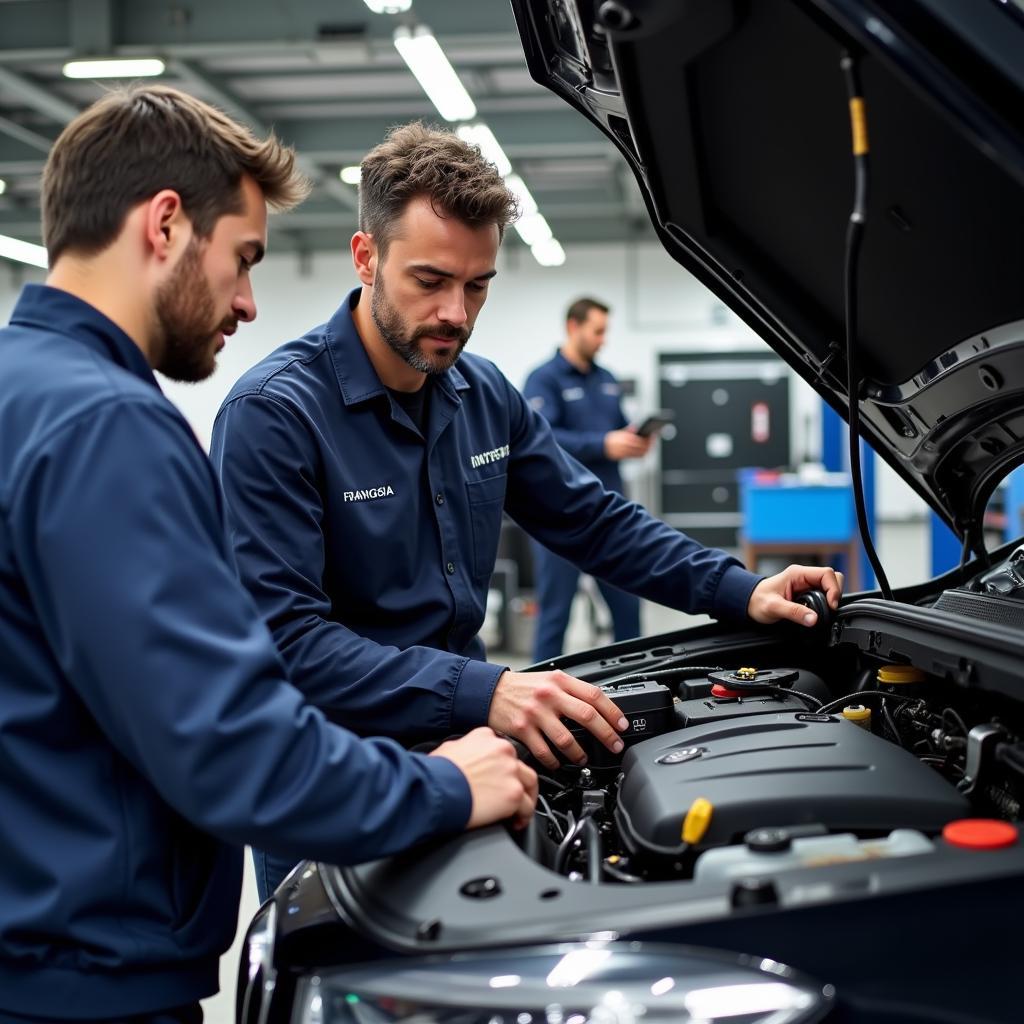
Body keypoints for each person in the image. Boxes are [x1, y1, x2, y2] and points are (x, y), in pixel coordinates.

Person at [0, 87, 537, 1024]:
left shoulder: (20, 391)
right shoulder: (109, 426)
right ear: (166, 224)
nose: (250, 302)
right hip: (82, 973)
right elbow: (233, 748)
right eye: (243, 259)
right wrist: (448, 786)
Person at [210, 121, 843, 900]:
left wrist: (739, 588)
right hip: (332, 776)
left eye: (477, 286)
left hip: (467, 755)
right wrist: (489, 690)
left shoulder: (484, 397)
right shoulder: (275, 416)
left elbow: (595, 521)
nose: (455, 312)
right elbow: (287, 642)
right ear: (366, 257)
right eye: (431, 280)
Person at [523, 297, 649, 660]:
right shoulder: (542, 379)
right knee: (555, 617)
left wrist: (631, 441)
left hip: (608, 514)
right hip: (558, 516)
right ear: (573, 327)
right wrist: (603, 444)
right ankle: (541, 698)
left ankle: (634, 687)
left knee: (628, 611)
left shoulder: (606, 379)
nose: (603, 339)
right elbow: (541, 437)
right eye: (597, 331)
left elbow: (614, 433)